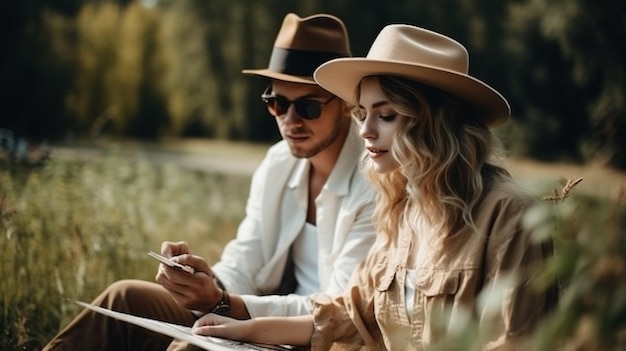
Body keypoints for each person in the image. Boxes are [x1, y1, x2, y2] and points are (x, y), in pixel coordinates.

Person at [189, 24, 559, 350]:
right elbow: (347, 315)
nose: (364, 131)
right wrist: (246, 330)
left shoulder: (509, 216)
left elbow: (513, 342)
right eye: (362, 114)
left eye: (385, 116)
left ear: (436, 123)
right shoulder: (401, 208)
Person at [43, 13, 376, 351]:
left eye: (307, 107)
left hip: (315, 339)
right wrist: (203, 283)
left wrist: (226, 306)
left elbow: (337, 313)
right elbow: (247, 257)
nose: (290, 121)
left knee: (194, 346)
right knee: (122, 298)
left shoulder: (374, 180)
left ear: (347, 104)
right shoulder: (278, 163)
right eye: (276, 103)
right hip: (249, 315)